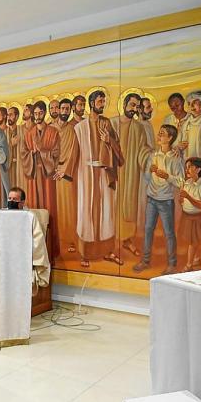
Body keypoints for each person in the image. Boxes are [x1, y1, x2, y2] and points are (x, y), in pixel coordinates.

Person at [74, 89, 124, 268]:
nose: (102, 104)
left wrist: (109, 140)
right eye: (100, 101)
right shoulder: (80, 127)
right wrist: (64, 170)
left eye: (104, 101)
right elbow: (74, 153)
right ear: (92, 103)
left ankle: (107, 251)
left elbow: (118, 149)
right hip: (86, 173)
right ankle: (85, 253)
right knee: (87, 211)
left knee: (106, 211)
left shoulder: (106, 123)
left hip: (104, 173)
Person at [133, 124, 183, 276]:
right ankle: (145, 261)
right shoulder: (153, 155)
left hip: (166, 200)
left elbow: (181, 181)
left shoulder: (175, 158)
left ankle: (172, 264)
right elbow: (147, 177)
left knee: (169, 233)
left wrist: (167, 176)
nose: (159, 136)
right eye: (159, 133)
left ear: (170, 138)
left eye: (162, 134)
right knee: (148, 229)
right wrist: (150, 171)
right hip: (152, 198)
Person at [112, 92, 154, 258]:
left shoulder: (138, 127)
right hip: (112, 172)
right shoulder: (112, 123)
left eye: (137, 106)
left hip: (130, 172)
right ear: (124, 105)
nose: (134, 109)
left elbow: (143, 150)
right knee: (112, 205)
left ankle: (127, 240)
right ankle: (111, 242)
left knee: (128, 205)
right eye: (132, 105)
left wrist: (152, 157)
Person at [19, 100, 61, 258]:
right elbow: (23, 154)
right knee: (34, 208)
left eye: (40, 113)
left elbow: (56, 154)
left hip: (47, 177)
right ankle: (35, 250)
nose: (37, 116)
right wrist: (32, 153)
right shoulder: (28, 134)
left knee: (48, 208)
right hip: (33, 177)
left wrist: (42, 151)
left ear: (44, 113)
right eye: (35, 113)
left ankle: (50, 249)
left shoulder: (53, 132)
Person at [7, 187, 50, 294]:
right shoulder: (4, 215)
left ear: (22, 202)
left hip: (22, 253)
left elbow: (38, 240)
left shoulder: (29, 217)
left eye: (14, 199)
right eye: (9, 198)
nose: (11, 201)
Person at [53, 98, 80, 255]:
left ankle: (70, 239)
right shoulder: (51, 128)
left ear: (70, 110)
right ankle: (57, 239)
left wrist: (64, 169)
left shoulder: (73, 129)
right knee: (54, 207)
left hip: (66, 172)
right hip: (52, 171)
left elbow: (74, 152)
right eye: (62, 108)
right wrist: (52, 167)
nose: (64, 111)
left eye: (67, 109)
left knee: (68, 207)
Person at [178, 157, 201, 272]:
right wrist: (182, 200)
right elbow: (183, 200)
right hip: (186, 216)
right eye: (186, 167)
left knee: (193, 242)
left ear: (198, 169)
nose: (186, 170)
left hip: (195, 219)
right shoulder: (187, 183)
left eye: (190, 167)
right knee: (192, 240)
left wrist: (188, 197)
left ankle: (189, 265)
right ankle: (196, 259)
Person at [179, 90, 201, 171]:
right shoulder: (185, 124)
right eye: (189, 103)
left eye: (195, 102)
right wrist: (179, 146)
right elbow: (179, 143)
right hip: (188, 161)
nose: (191, 106)